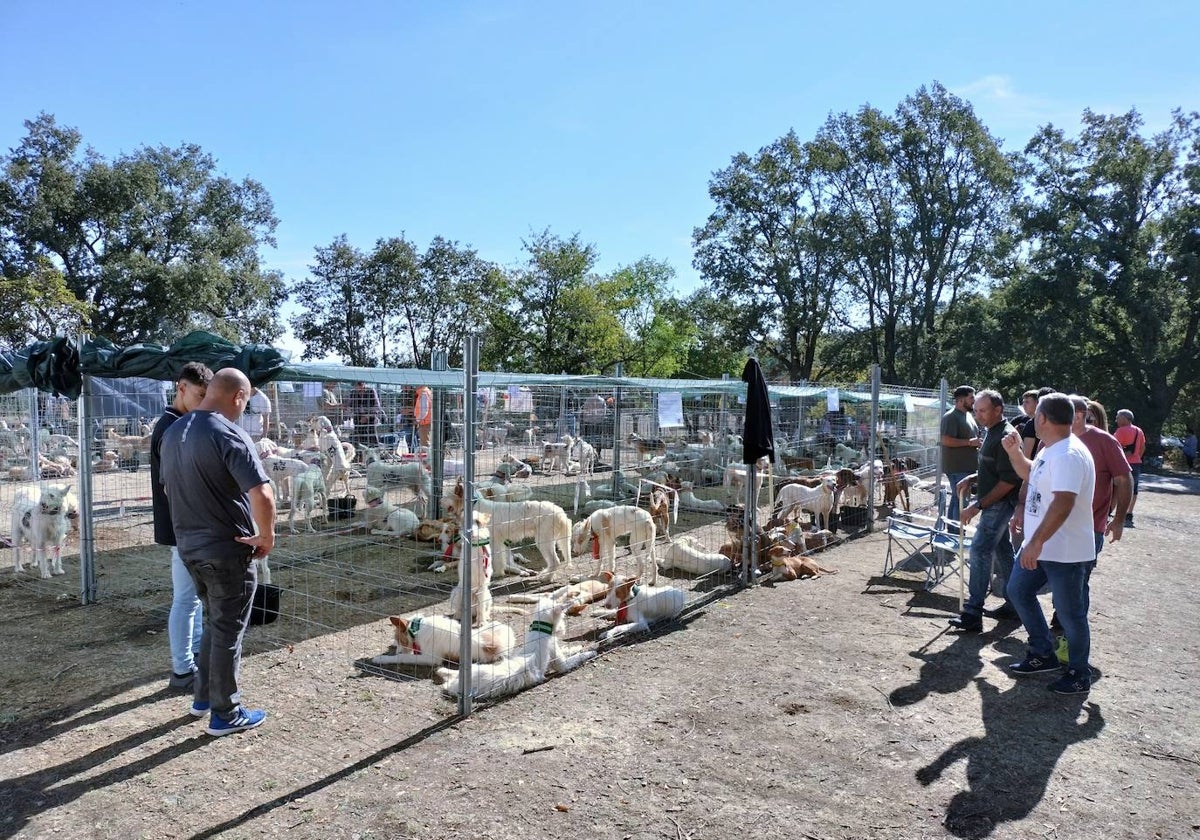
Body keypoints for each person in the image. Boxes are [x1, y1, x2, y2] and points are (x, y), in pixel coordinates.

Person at [160, 367, 275, 736]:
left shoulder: (173, 432)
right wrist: (266, 536)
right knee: (228, 629)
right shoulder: (228, 433)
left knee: (214, 622)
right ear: (238, 397)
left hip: (189, 547)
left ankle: (204, 697)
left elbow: (167, 491)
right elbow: (262, 494)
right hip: (227, 550)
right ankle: (226, 712)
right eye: (246, 402)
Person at [1000, 393, 1097, 695]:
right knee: (1017, 590)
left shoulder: (1069, 454)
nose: (1031, 419)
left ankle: (1079, 674)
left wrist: (1035, 542)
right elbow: (1032, 473)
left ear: (1042, 418)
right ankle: (1043, 653)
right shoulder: (1050, 449)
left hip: (1064, 551)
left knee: (1070, 615)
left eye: (1034, 415)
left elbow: (1063, 503)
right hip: (1042, 546)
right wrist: (1016, 454)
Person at [150, 362, 214, 691]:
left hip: (184, 526)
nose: (204, 403)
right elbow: (171, 484)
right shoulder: (170, 428)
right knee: (186, 600)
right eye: (200, 395)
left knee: (191, 599)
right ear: (181, 388)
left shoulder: (179, 423)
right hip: (182, 527)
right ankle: (182, 670)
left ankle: (193, 658)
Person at [948, 390, 1022, 632]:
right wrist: (972, 477)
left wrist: (977, 505)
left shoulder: (1007, 435)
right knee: (1003, 551)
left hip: (999, 504)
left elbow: (1009, 481)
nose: (977, 415)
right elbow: (993, 469)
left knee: (979, 549)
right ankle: (1016, 604)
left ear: (998, 410)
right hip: (993, 502)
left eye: (982, 410)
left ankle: (973, 612)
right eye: (976, 410)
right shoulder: (992, 431)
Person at [940, 385, 980, 523]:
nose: (974, 400)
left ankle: (952, 531)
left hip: (967, 468)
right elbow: (945, 440)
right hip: (957, 468)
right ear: (961, 399)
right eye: (971, 397)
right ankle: (957, 534)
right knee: (961, 501)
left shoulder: (968, 415)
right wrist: (970, 443)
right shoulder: (951, 416)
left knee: (958, 499)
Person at [1112, 409, 1144, 528]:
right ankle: (1129, 513)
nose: (1116, 419)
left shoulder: (1120, 431)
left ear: (1125, 418)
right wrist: (1136, 457)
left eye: (1118, 417)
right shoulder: (1139, 431)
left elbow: (1113, 447)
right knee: (1133, 490)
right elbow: (1142, 447)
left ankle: (1114, 512)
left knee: (1116, 488)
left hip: (1121, 463)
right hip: (1136, 463)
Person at [414, 384, 433, 449]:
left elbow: (424, 411)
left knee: (425, 445)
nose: (414, 386)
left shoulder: (423, 393)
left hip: (425, 423)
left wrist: (417, 420)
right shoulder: (427, 392)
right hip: (427, 422)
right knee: (426, 443)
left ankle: (427, 458)